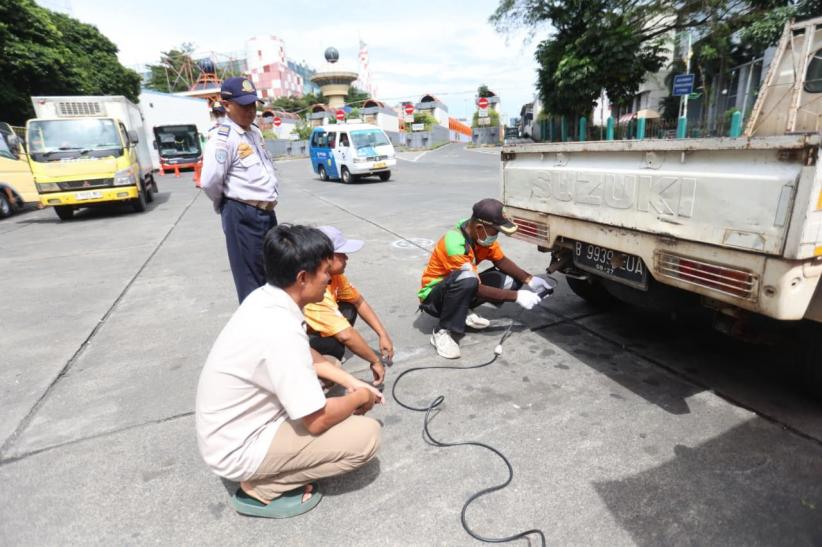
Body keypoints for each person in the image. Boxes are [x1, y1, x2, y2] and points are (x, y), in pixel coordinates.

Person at [196, 224, 383, 519]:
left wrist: (350, 380)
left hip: (234, 427)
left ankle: (274, 466)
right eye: (325, 271)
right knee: (366, 437)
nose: (329, 277)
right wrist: (359, 398)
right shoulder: (279, 331)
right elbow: (318, 421)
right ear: (302, 278)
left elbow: (308, 356)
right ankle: (263, 486)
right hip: (238, 449)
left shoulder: (266, 298)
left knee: (330, 367)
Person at [418, 198, 553, 359]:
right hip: (433, 298)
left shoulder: (482, 238)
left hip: (459, 287)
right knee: (467, 278)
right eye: (495, 231)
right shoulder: (454, 242)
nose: (496, 236)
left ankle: (463, 310)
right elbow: (473, 285)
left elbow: (501, 261)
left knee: (511, 279)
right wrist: (517, 297)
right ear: (479, 227)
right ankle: (441, 331)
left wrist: (530, 280)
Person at [201, 77, 279, 303]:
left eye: (253, 105)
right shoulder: (222, 139)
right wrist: (226, 206)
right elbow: (210, 182)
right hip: (242, 215)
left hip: (266, 213)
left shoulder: (254, 133)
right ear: (226, 105)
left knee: (272, 277)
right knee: (251, 284)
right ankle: (256, 334)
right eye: (244, 106)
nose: (250, 111)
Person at [303, 226, 394, 387]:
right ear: (326, 258)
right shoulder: (313, 289)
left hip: (314, 332)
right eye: (342, 254)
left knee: (348, 307)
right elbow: (345, 335)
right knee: (334, 357)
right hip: (302, 341)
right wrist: (374, 360)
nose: (347, 258)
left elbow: (359, 301)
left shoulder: (335, 277)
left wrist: (382, 334)